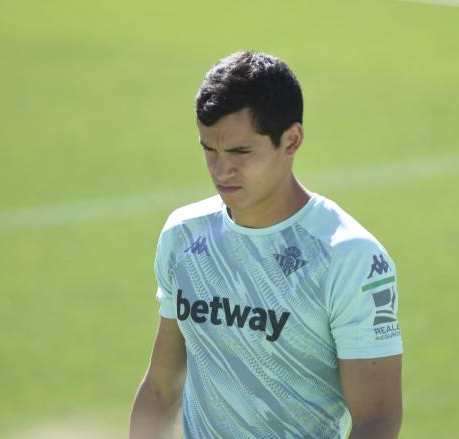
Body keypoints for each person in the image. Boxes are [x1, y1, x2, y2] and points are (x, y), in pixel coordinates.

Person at [130, 51, 403, 439]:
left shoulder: (349, 256)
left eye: (241, 152)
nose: (221, 171)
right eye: (210, 150)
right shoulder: (184, 235)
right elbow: (160, 389)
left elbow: (377, 418)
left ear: (291, 140)